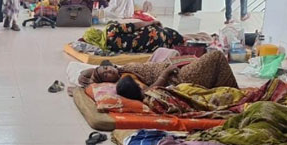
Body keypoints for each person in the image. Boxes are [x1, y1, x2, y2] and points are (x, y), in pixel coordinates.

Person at [79, 51, 238, 99]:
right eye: (106, 75)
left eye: (106, 68)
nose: (109, 71)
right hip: (178, 77)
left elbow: (85, 72)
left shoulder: (121, 70)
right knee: (216, 56)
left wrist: (93, 73)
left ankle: (230, 92)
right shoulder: (126, 79)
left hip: (174, 69)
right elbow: (147, 92)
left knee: (213, 65)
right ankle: (236, 93)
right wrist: (166, 73)